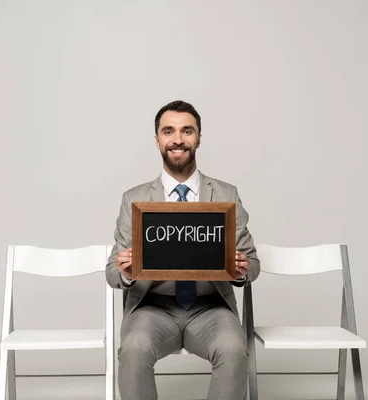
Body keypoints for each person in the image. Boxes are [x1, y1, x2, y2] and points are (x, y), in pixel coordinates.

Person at [106, 100, 260, 400]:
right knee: (133, 349)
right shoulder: (134, 198)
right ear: (157, 141)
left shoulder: (226, 195)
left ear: (198, 138)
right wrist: (124, 272)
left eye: (187, 131)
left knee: (234, 349)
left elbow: (252, 262)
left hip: (211, 307)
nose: (178, 139)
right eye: (169, 131)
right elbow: (112, 271)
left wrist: (242, 271)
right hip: (152, 308)